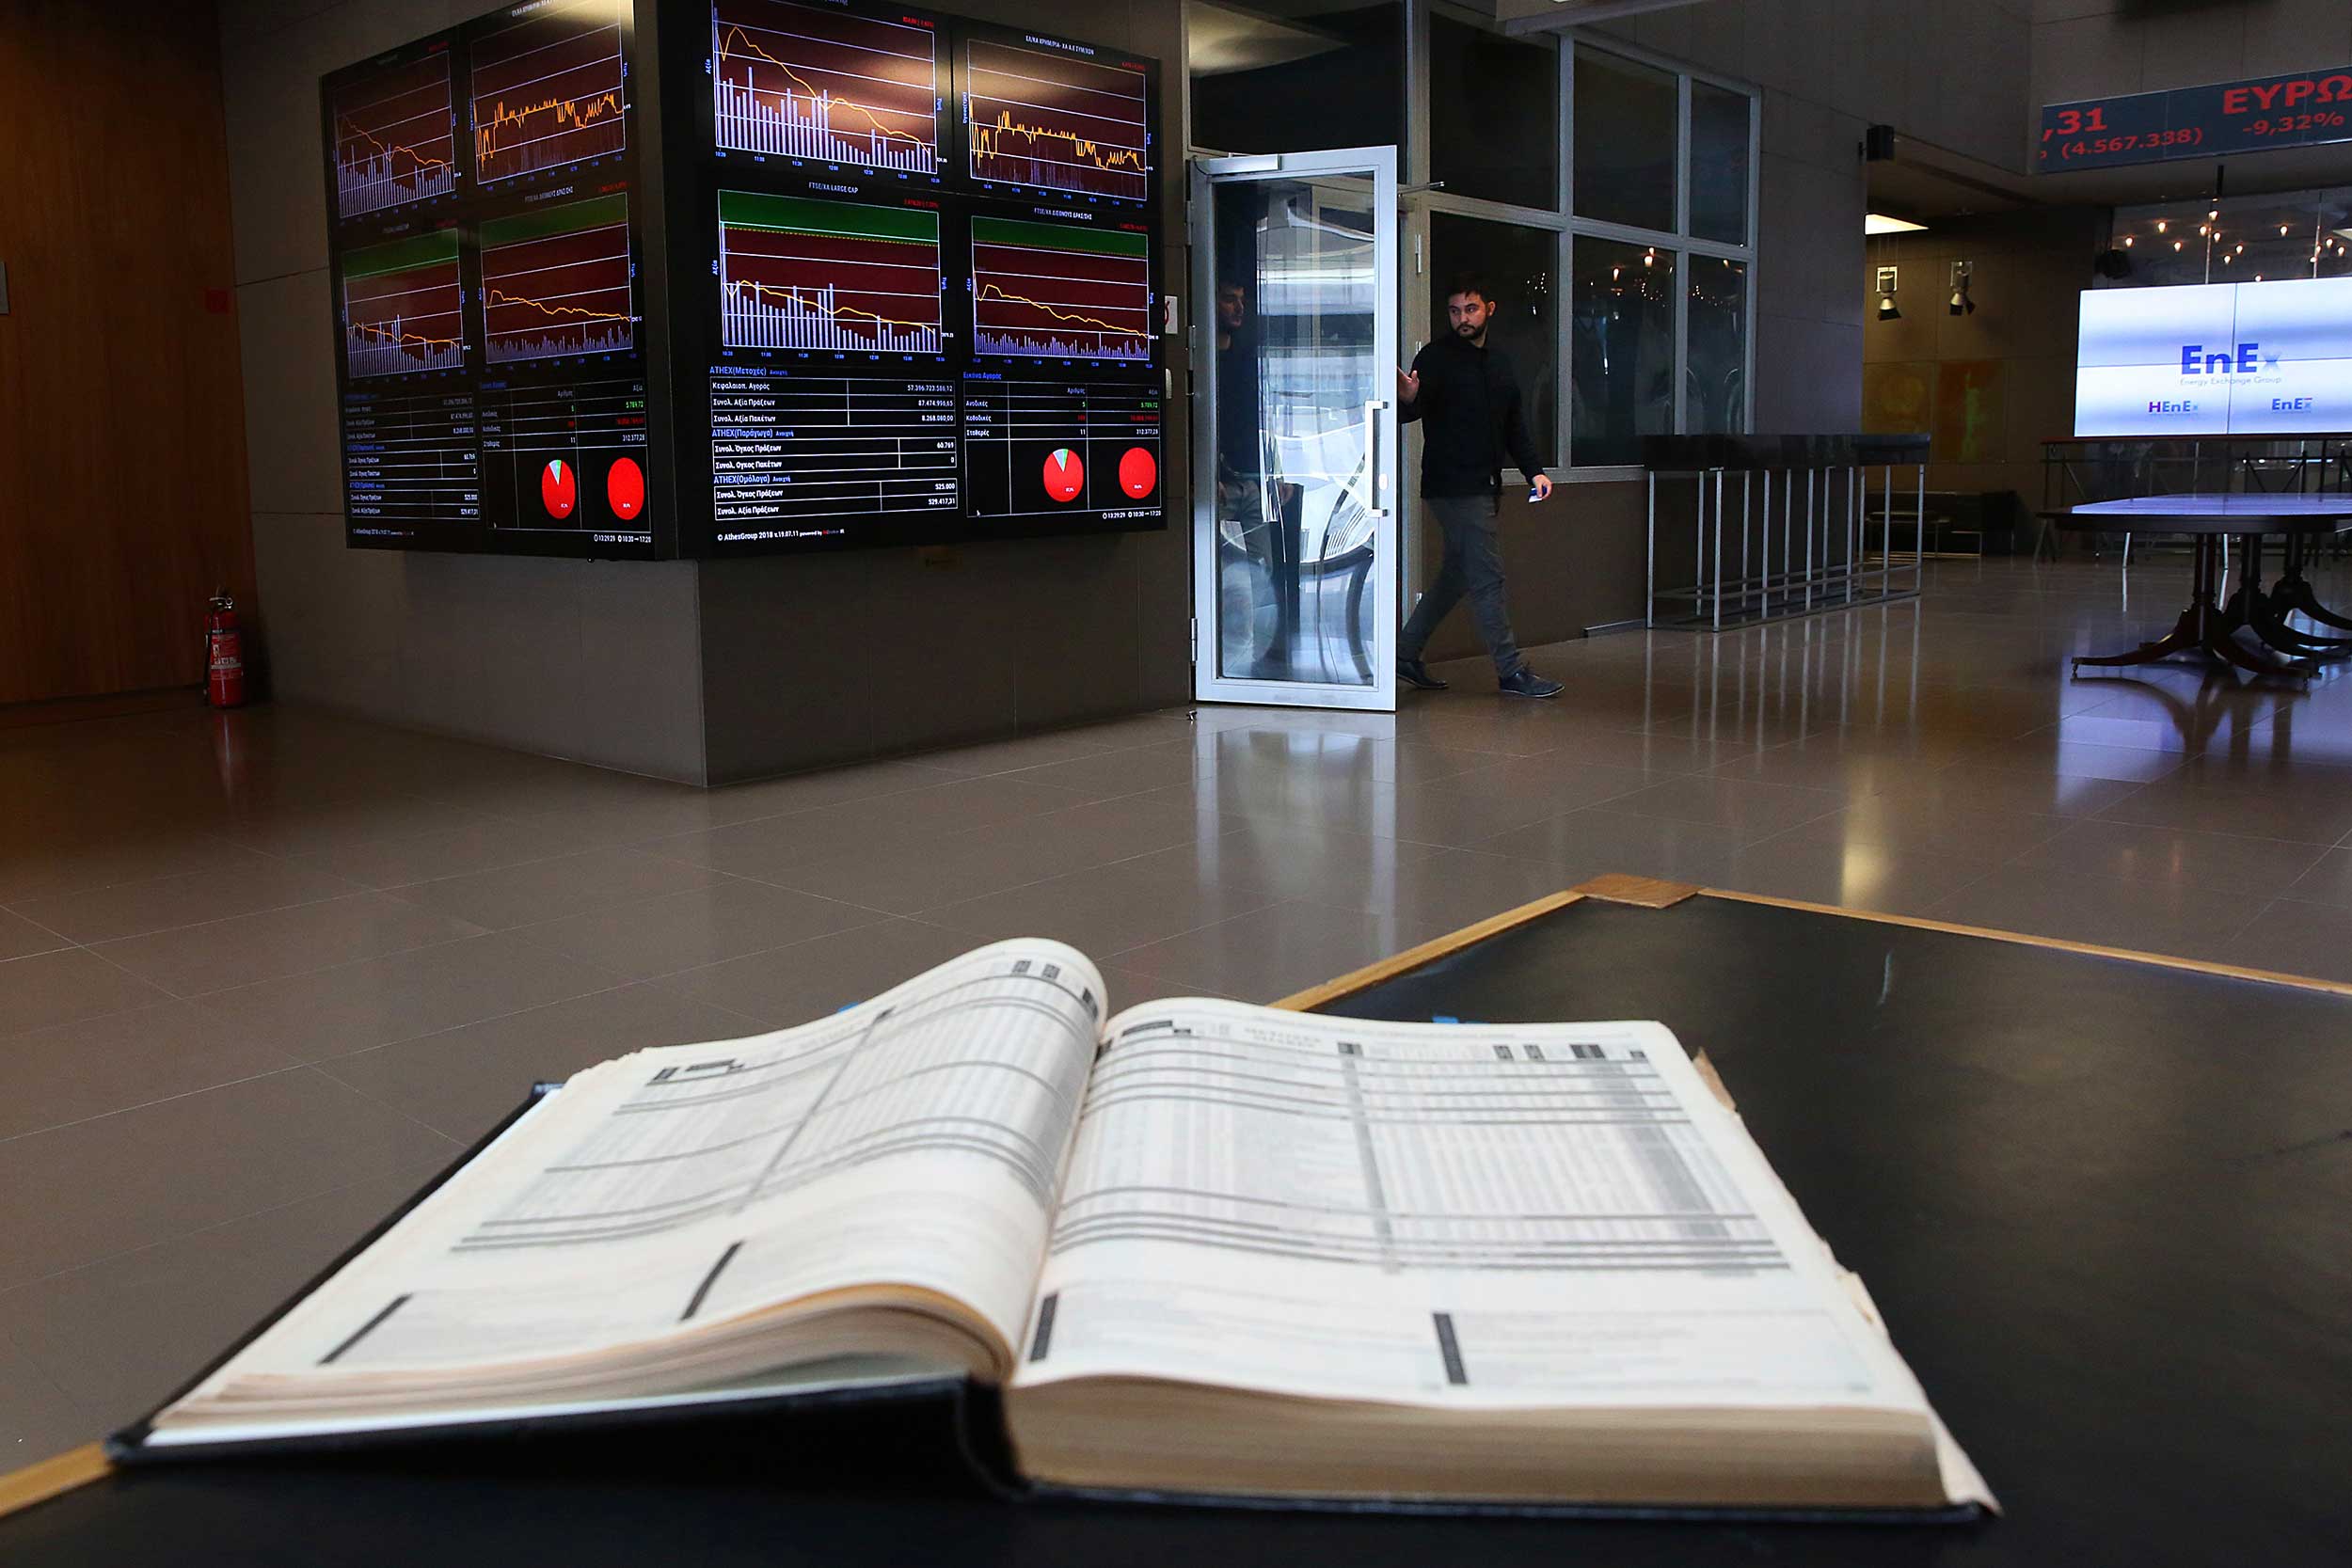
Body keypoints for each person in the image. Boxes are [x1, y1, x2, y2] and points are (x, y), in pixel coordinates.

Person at [1395, 272, 1564, 699]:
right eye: (1455, 311)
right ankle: (1511, 671)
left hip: (1485, 485)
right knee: (1488, 577)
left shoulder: (1499, 363)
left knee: (1457, 576)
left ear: (1489, 309)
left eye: (1470, 309)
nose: (1463, 319)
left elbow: (1514, 425)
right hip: (1453, 486)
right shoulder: (1435, 358)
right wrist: (1408, 399)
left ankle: (1404, 653)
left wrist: (1534, 471)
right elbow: (1410, 411)